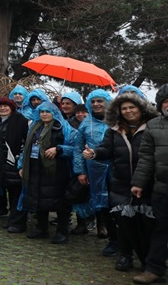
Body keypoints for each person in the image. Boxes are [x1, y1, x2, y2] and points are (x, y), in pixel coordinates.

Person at [83, 88, 157, 273]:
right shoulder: (114, 130)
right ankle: (126, 255)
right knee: (123, 222)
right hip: (121, 184)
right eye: (124, 108)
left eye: (132, 107)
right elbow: (106, 150)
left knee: (146, 223)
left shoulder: (153, 127)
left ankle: (149, 260)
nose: (128, 111)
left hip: (147, 185)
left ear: (141, 108)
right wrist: (94, 154)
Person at [19, 102, 77, 243]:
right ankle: (41, 229)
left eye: (48, 111)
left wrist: (58, 149)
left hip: (56, 170)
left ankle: (62, 232)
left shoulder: (62, 128)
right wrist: (21, 166)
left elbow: (75, 148)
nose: (44, 114)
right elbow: (26, 148)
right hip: (35, 168)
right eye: (42, 111)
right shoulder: (34, 128)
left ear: (54, 113)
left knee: (60, 202)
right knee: (38, 199)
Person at [130, 84, 168, 284]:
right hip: (162, 189)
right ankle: (154, 269)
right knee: (160, 228)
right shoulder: (153, 126)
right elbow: (145, 158)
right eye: (166, 101)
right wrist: (138, 182)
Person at [73, 89, 114, 243]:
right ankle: (102, 227)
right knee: (97, 199)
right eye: (93, 101)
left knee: (113, 201)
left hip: (115, 169)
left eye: (100, 101)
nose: (96, 104)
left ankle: (113, 234)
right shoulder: (86, 123)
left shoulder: (116, 121)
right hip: (93, 169)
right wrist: (80, 171)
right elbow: (78, 149)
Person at [0, 97, 28, 232]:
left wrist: (20, 162)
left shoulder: (20, 120)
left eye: (5, 106)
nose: (2, 108)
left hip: (15, 163)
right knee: (10, 192)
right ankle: (12, 219)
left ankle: (19, 223)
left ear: (12, 107)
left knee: (17, 194)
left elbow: (25, 141)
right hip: (1, 164)